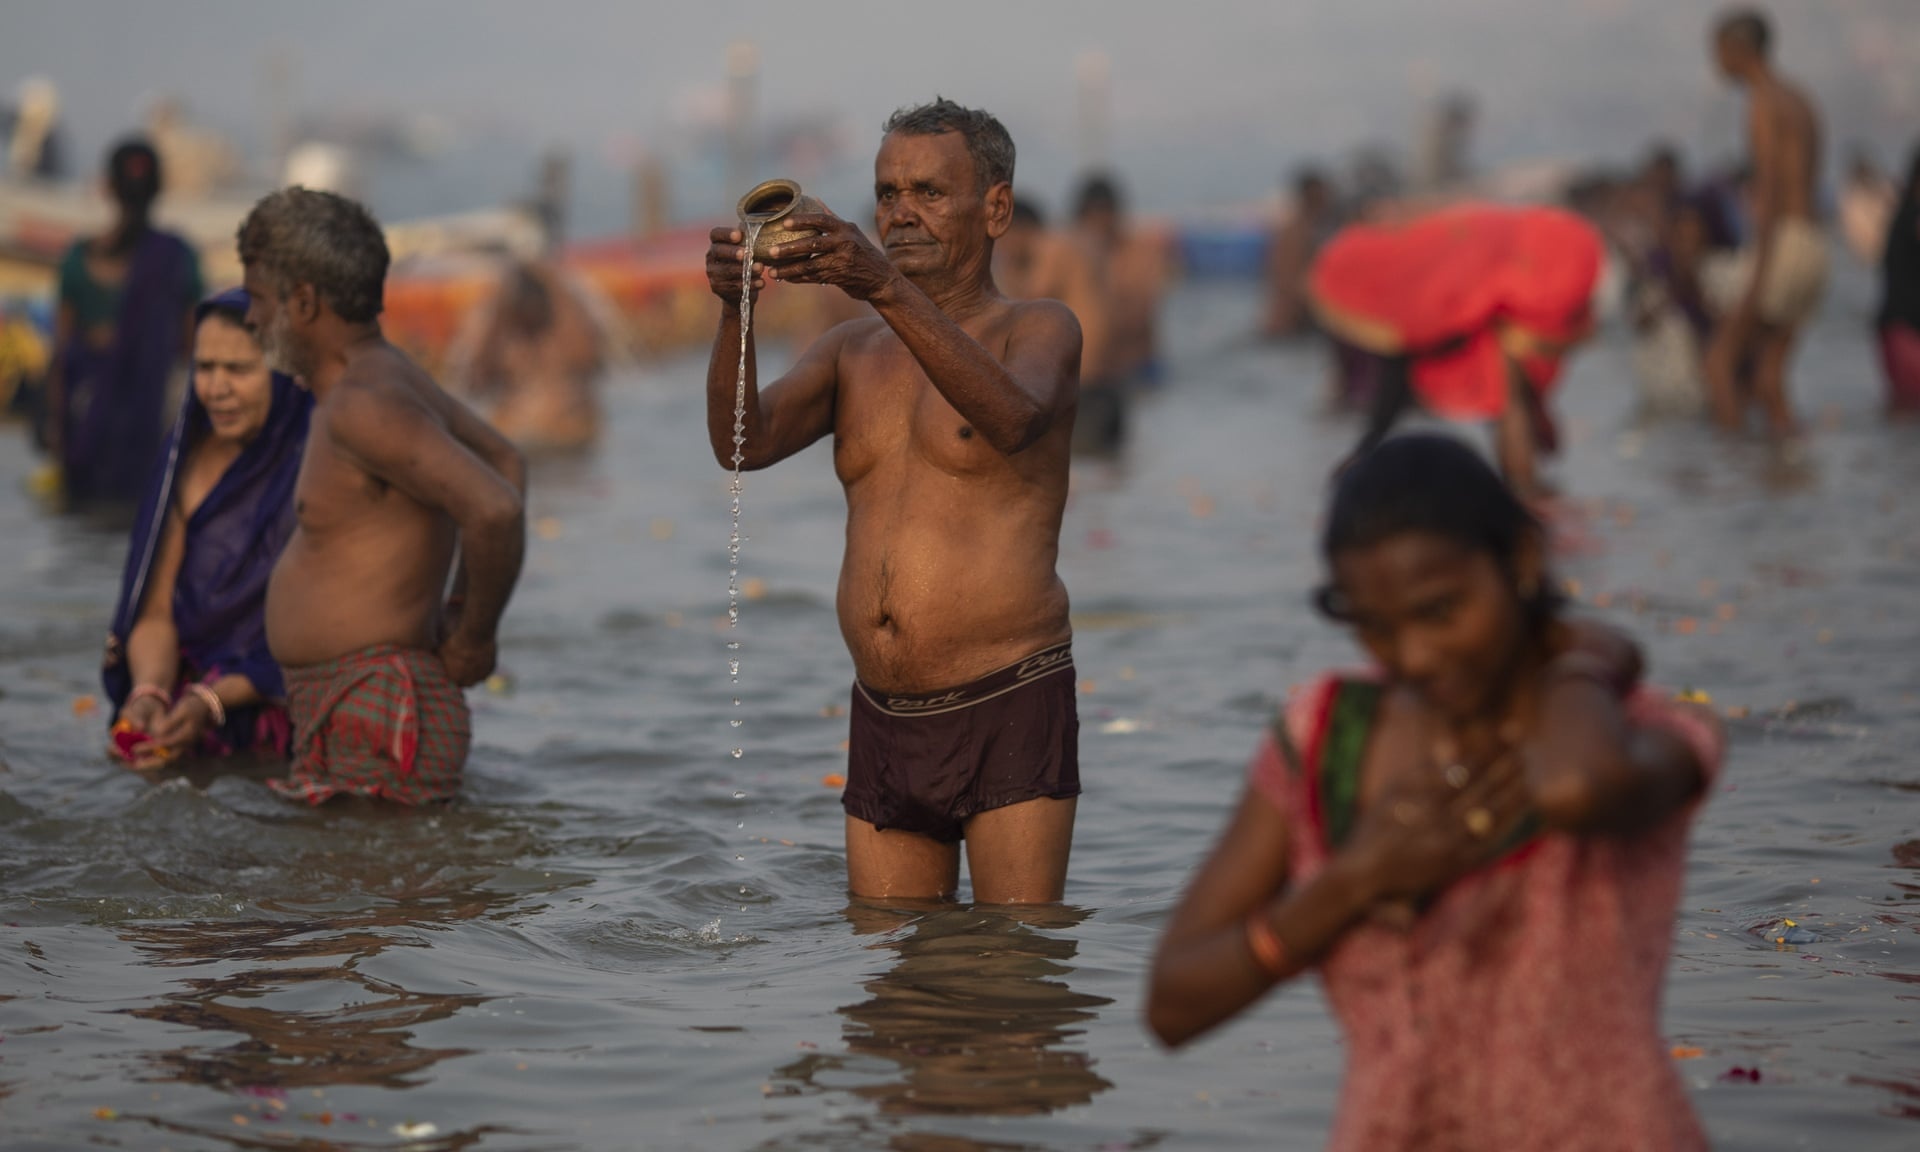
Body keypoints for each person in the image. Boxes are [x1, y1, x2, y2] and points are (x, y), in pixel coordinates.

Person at [1147, 434, 1723, 1151]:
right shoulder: (1325, 736)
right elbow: (1172, 1002)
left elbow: (1576, 788)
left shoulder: (1642, 730)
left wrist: (1584, 659)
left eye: (1441, 611)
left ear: (1521, 561)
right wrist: (1353, 881)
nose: (1414, 656)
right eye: (1377, 629)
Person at [703, 98, 1082, 904]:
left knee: (1016, 985)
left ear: (997, 208)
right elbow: (743, 444)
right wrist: (736, 310)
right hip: (884, 714)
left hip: (1008, 693)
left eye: (929, 193)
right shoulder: (851, 349)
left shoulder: (1038, 329)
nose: (900, 213)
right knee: (891, 1000)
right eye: (886, 194)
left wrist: (880, 283)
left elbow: (1013, 418)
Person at [238, 188, 528, 805]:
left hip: (377, 708)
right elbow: (504, 459)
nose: (251, 319)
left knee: (374, 901)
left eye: (259, 299)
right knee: (360, 896)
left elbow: (495, 505)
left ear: (305, 302)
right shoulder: (386, 377)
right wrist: (455, 604)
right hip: (360, 706)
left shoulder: (363, 405)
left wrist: (473, 633)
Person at [103, 288, 312, 768]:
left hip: (279, 701)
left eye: (238, 370)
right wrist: (150, 692)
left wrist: (213, 700)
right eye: (204, 367)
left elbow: (327, 628)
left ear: (285, 372)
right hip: (190, 694)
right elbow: (155, 612)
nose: (215, 388)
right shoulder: (186, 458)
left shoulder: (320, 460)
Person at [1310, 203, 1604, 498]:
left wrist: (1367, 446)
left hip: (1518, 277)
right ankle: (1524, 488)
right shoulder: (1423, 247)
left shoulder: (1409, 277)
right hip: (1532, 267)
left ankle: (1524, 489)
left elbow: (1399, 365)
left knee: (1507, 397)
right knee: (1507, 393)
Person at [46, 137, 204, 509]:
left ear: (107, 187)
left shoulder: (78, 259)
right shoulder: (176, 256)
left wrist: (56, 429)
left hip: (85, 423)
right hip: (151, 424)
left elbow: (60, 356)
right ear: (160, 189)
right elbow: (191, 347)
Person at [1703, 8, 1827, 442]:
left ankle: (1737, 477)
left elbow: (1770, 189)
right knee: (1768, 374)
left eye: (1717, 52)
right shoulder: (1799, 98)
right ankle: (1784, 470)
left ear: (1738, 51)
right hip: (1813, 244)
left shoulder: (1762, 102)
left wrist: (1758, 273)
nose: (1715, 64)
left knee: (1720, 360)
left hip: (1785, 242)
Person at [451, 259, 606, 453]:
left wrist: (551, 280)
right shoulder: (500, 333)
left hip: (569, 437)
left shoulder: (564, 328)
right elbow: (474, 383)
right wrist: (500, 305)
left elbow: (591, 359)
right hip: (516, 437)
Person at [1264, 168, 1339, 339]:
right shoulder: (1295, 233)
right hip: (1289, 324)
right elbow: (1291, 282)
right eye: (1324, 196)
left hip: (1295, 324)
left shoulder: (1308, 231)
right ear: (1312, 197)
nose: (1328, 202)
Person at [1878, 144, 1920, 415]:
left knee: (1905, 414)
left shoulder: (1904, 213)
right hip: (1905, 330)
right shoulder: (1912, 216)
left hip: (1899, 329)